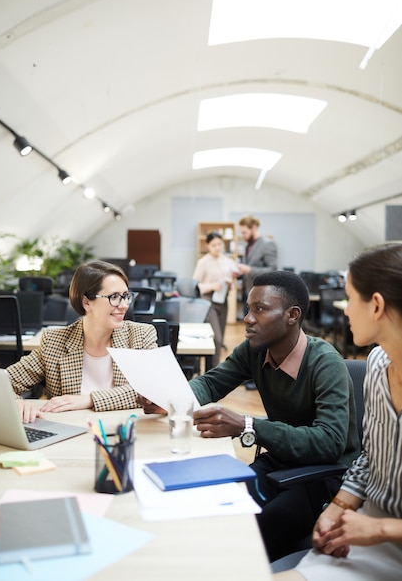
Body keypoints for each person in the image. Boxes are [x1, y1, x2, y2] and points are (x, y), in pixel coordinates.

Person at [139, 270, 359, 562]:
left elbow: (329, 443)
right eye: (248, 309)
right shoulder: (255, 350)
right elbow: (211, 382)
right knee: (215, 506)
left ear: (292, 315)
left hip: (325, 477)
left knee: (250, 534)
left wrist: (247, 425)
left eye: (260, 309)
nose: (248, 318)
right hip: (281, 462)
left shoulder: (325, 363)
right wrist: (171, 399)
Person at [274, 243, 402, 581]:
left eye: (349, 298)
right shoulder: (377, 364)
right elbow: (371, 457)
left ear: (376, 305)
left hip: (380, 534)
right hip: (363, 533)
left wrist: (382, 529)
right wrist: (338, 507)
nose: (344, 310)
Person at [9, 260, 157, 423]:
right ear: (86, 302)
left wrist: (89, 399)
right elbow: (2, 384)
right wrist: (17, 403)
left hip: (125, 432)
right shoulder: (54, 342)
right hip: (69, 434)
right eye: (114, 297)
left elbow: (152, 389)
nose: (124, 305)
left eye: (126, 296)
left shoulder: (141, 335)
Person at [193, 231, 239, 366]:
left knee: (220, 340)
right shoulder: (203, 262)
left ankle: (213, 371)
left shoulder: (227, 261)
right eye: (214, 245)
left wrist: (231, 283)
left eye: (220, 244)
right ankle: (211, 373)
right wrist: (212, 285)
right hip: (208, 302)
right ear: (208, 245)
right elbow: (195, 286)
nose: (217, 247)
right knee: (216, 339)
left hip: (223, 301)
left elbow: (233, 283)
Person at [236, 215, 278, 311]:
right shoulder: (248, 246)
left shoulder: (267, 244)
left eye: (244, 232)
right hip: (247, 294)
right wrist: (239, 273)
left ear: (254, 227)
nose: (242, 236)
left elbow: (272, 270)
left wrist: (250, 269)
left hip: (260, 297)